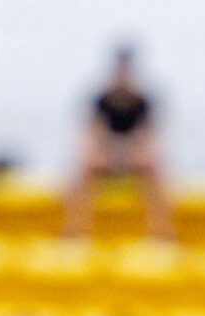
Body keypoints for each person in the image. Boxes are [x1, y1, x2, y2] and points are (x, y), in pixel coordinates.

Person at [70, 44, 170, 237]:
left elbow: (148, 137)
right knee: (85, 165)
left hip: (134, 155)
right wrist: (111, 154)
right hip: (107, 154)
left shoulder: (142, 102)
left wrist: (129, 154)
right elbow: (95, 135)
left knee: (154, 166)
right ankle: (77, 230)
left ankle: (161, 231)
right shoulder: (102, 101)